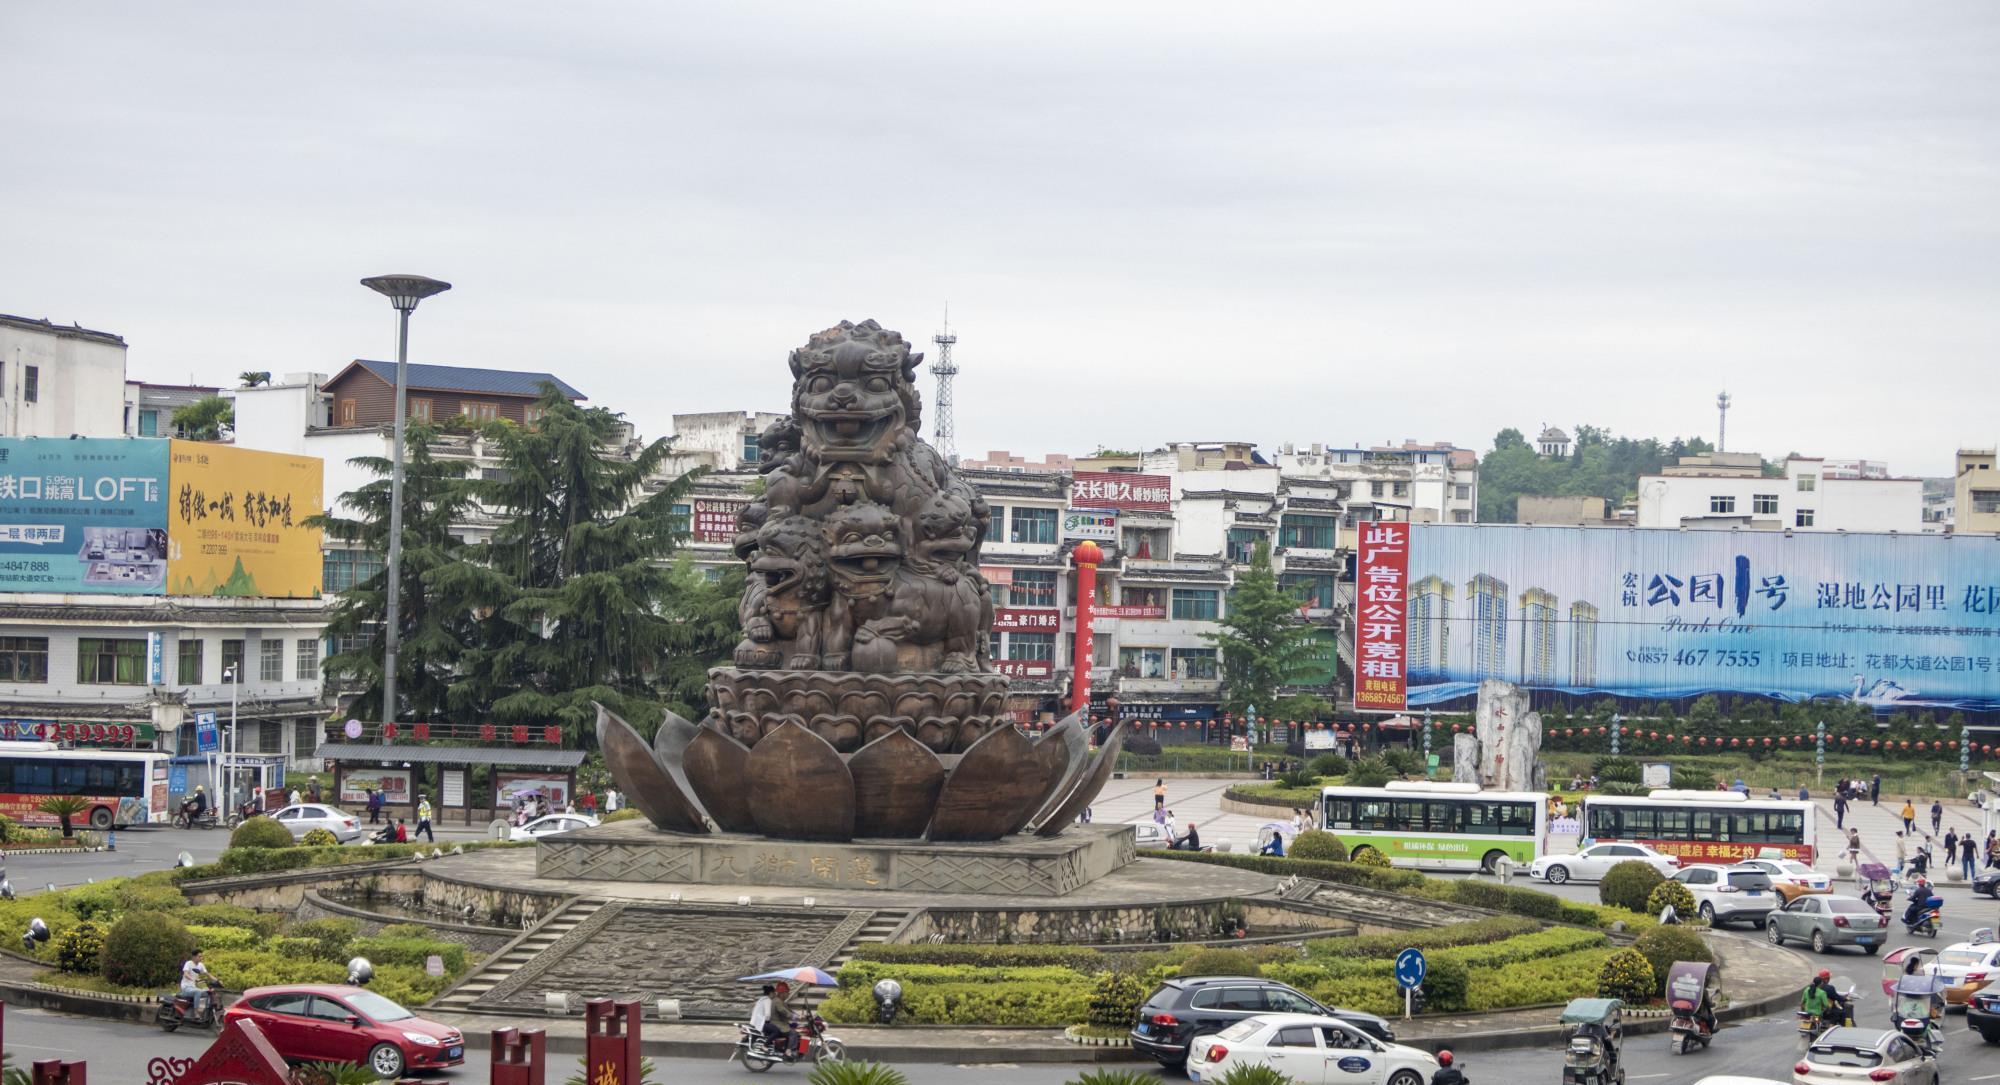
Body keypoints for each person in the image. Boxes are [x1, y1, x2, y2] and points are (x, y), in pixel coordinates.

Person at [749, 984, 787, 1052]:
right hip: (761, 1023)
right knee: (776, 1031)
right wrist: (771, 1020)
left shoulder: (761, 999)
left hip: (754, 1022)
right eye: (774, 993)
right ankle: (765, 1045)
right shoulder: (768, 1000)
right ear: (771, 993)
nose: (775, 995)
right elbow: (767, 1015)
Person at [180, 948, 213, 1021]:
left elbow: (207, 974)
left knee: (209, 993)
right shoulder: (189, 963)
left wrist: (217, 980)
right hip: (186, 988)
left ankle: (207, 1012)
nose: (201, 958)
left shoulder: (200, 965)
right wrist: (194, 979)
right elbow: (185, 974)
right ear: (194, 957)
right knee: (198, 991)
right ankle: (196, 1012)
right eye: (199, 956)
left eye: (202, 956)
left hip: (193, 988)